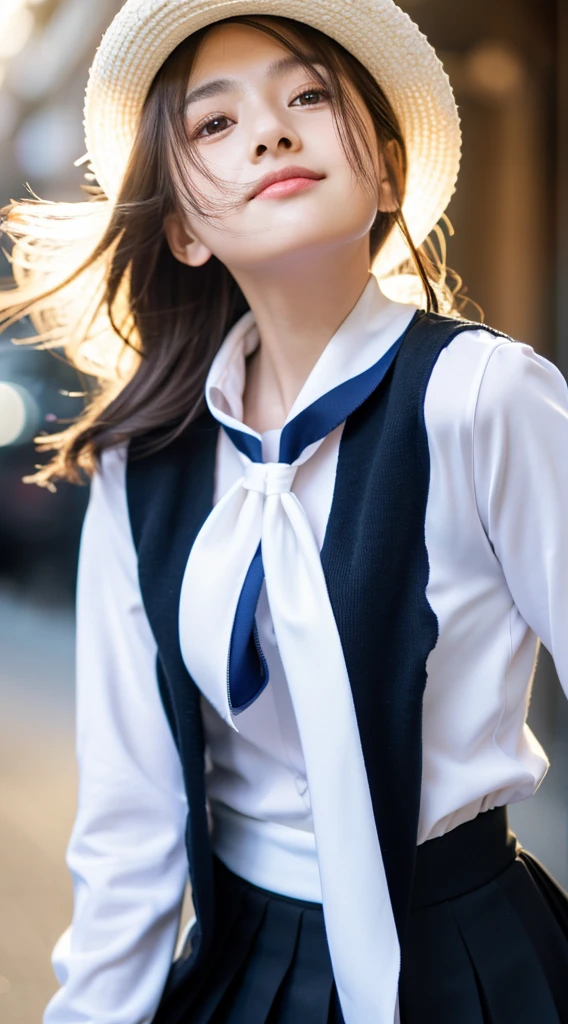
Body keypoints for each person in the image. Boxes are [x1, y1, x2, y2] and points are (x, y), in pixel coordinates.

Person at [1, 1, 568, 1021]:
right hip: (244, 963)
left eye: (309, 95)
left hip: (472, 959)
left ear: (388, 175)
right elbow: (130, 817)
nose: (271, 129)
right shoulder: (149, 460)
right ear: (180, 227)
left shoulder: (485, 397)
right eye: (215, 124)